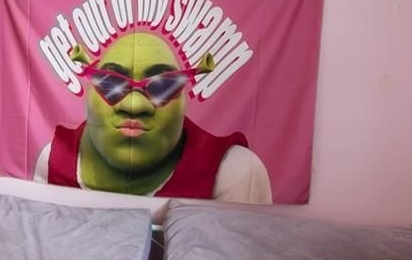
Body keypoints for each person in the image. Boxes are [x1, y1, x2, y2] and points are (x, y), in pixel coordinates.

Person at [32, 30, 271, 202]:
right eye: (110, 84)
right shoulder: (54, 159)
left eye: (163, 87)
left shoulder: (235, 172)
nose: (134, 105)